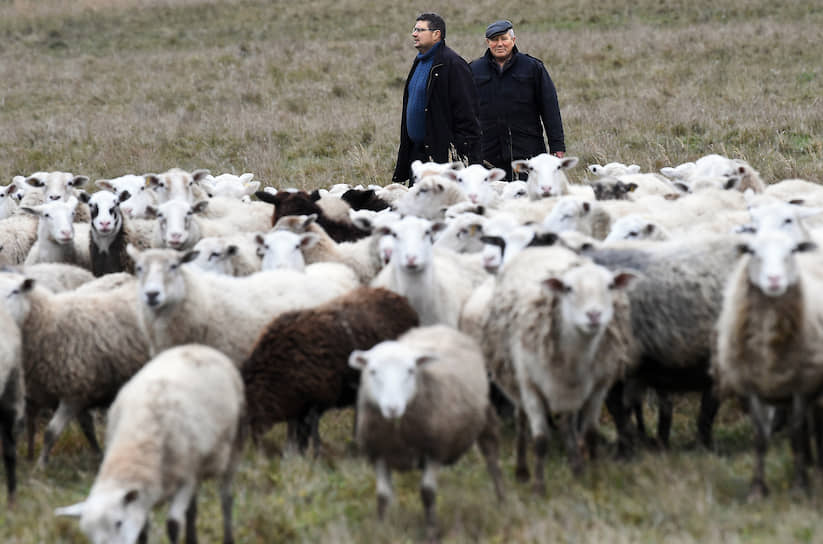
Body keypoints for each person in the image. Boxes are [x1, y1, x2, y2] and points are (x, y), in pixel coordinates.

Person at [392, 12, 481, 186]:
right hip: (417, 154)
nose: (414, 34)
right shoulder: (420, 62)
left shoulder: (453, 64)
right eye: (414, 29)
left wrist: (462, 156)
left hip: (442, 157)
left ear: (436, 34)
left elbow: (468, 114)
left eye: (420, 30)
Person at [470, 20, 565, 181]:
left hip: (528, 151)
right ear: (488, 42)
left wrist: (557, 146)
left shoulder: (533, 68)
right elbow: (466, 111)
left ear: (513, 40)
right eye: (494, 40)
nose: (499, 44)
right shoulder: (473, 70)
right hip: (488, 154)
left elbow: (550, 109)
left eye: (504, 39)